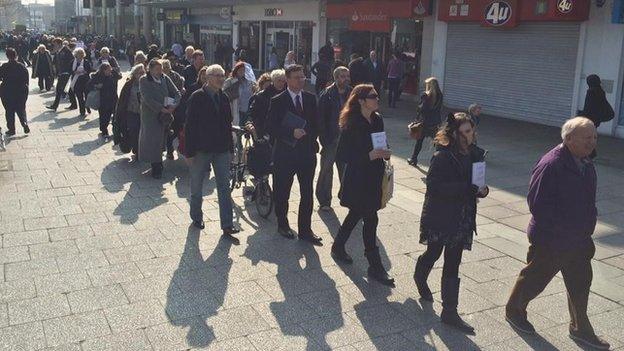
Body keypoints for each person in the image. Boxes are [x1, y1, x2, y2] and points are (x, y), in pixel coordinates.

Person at [505, 117, 609, 350]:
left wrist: (587, 226)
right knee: (535, 279)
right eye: (587, 138)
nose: (592, 142)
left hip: (579, 240)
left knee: (580, 283)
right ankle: (514, 310)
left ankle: (580, 328)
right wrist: (563, 235)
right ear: (568, 138)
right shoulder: (551, 164)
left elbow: (588, 200)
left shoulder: (585, 161)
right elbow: (538, 205)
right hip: (552, 239)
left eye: (594, 137)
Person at [414, 112, 489, 334]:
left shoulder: (476, 153)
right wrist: (465, 188)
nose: (470, 134)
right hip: (441, 214)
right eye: (466, 131)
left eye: (471, 130)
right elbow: (434, 187)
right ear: (455, 134)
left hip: (463, 216)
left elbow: (478, 183)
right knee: (433, 253)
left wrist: (483, 190)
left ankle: (449, 311)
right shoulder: (443, 156)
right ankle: (420, 275)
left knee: (453, 261)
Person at [332, 84, 394, 286]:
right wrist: (367, 156)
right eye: (373, 96)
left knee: (356, 214)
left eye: (376, 95)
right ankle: (375, 266)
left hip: (374, 177)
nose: (377, 99)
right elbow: (342, 155)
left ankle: (338, 246)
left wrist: (385, 152)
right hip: (358, 178)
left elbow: (381, 143)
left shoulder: (377, 119)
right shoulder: (351, 122)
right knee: (371, 219)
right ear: (361, 101)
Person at [267, 64, 321, 244]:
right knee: (282, 191)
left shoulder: (311, 98)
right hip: (285, 155)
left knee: (307, 192)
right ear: (288, 80)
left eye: (302, 76)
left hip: (306, 154)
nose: (301, 80)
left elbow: (316, 123)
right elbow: (271, 127)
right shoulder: (278, 100)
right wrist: (291, 133)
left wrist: (312, 136)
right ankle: (282, 224)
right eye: (297, 77)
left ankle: (305, 230)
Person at [184, 64, 240, 236]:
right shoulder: (197, 97)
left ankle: (227, 224)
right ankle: (196, 216)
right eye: (217, 75)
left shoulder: (223, 97)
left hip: (221, 149)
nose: (221, 78)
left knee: (224, 187)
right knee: (197, 185)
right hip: (202, 149)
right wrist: (189, 152)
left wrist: (231, 149)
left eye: (223, 75)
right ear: (207, 78)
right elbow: (190, 126)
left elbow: (227, 125)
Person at [139, 59, 181, 179]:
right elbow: (147, 98)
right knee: (152, 140)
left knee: (162, 139)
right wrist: (161, 108)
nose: (159, 72)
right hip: (151, 115)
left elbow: (176, 92)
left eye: (160, 69)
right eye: (157, 69)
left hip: (166, 116)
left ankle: (158, 162)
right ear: (150, 69)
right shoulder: (144, 80)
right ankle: (156, 166)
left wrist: (174, 105)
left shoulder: (165, 78)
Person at [316, 66, 351, 211]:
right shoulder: (327, 94)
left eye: (347, 76)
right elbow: (321, 118)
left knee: (347, 171)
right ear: (336, 78)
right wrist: (324, 138)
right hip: (331, 138)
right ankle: (324, 200)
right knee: (326, 170)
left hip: (347, 139)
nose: (346, 79)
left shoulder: (352, 93)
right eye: (342, 76)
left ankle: (347, 197)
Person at [408, 77, 443, 167]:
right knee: (437, 142)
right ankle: (439, 161)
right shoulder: (440, 95)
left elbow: (423, 109)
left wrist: (419, 108)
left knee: (419, 142)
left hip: (424, 122)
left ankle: (414, 159)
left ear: (429, 85)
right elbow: (438, 109)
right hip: (435, 122)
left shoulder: (425, 95)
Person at [114, 64, 145, 158]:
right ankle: (135, 148)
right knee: (133, 131)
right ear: (135, 74)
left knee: (141, 132)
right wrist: (118, 113)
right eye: (140, 73)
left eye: (143, 72)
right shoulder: (129, 84)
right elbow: (122, 99)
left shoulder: (146, 83)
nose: (142, 74)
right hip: (131, 112)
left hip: (143, 113)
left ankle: (138, 150)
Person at [580, 75, 614, 159]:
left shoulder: (591, 92)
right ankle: (590, 153)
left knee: (584, 136)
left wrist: (582, 116)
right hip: (596, 119)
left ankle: (590, 154)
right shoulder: (600, 91)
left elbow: (588, 107)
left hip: (589, 118)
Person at [86, 62, 122, 137]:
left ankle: (115, 131)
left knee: (113, 116)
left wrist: (116, 72)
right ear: (103, 70)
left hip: (113, 98)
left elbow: (119, 77)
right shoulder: (97, 76)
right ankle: (104, 130)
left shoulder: (112, 74)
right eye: (108, 70)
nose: (110, 71)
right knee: (104, 116)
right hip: (102, 100)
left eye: (110, 69)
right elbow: (89, 86)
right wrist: (96, 86)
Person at [0, 48, 30, 136]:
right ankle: (24, 123)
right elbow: (26, 80)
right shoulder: (21, 66)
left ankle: (11, 129)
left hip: (7, 91)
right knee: (21, 109)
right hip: (20, 91)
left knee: (9, 110)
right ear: (16, 55)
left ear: (7, 56)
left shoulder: (4, 66)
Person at [249, 69, 286, 139]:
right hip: (265, 131)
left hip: (282, 131)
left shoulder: (286, 94)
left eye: (283, 81)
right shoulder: (262, 95)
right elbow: (253, 113)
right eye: (279, 81)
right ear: (273, 81)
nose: (281, 83)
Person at [223, 61, 255, 129]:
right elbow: (224, 94)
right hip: (236, 110)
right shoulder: (230, 81)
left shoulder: (249, 82)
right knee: (238, 130)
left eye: (244, 70)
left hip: (247, 110)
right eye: (240, 70)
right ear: (236, 70)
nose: (242, 72)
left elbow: (252, 94)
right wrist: (236, 84)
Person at [47, 41, 74, 111]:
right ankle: (74, 104)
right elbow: (56, 62)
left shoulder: (66, 50)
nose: (54, 46)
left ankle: (55, 106)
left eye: (55, 44)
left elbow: (71, 61)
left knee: (59, 89)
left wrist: (68, 71)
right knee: (69, 90)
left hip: (65, 73)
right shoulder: (58, 51)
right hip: (61, 73)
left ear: (59, 44)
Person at [68, 48, 93, 117]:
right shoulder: (73, 62)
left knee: (87, 96)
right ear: (76, 54)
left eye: (81, 53)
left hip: (85, 81)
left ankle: (87, 106)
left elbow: (90, 70)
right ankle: (82, 111)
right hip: (76, 81)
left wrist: (85, 72)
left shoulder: (86, 61)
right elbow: (69, 70)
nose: (80, 55)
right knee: (79, 97)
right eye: (79, 53)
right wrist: (74, 72)